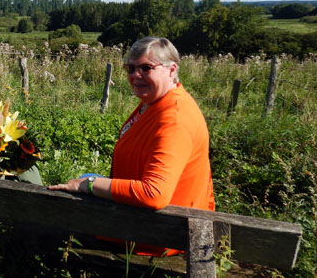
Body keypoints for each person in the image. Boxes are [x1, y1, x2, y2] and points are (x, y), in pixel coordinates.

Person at [49, 36, 214, 255]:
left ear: (172, 70)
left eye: (146, 68)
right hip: (146, 221)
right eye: (131, 68)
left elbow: (154, 194)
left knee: (50, 223)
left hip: (156, 235)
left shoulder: (174, 120)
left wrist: (89, 184)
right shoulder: (155, 103)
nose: (136, 76)